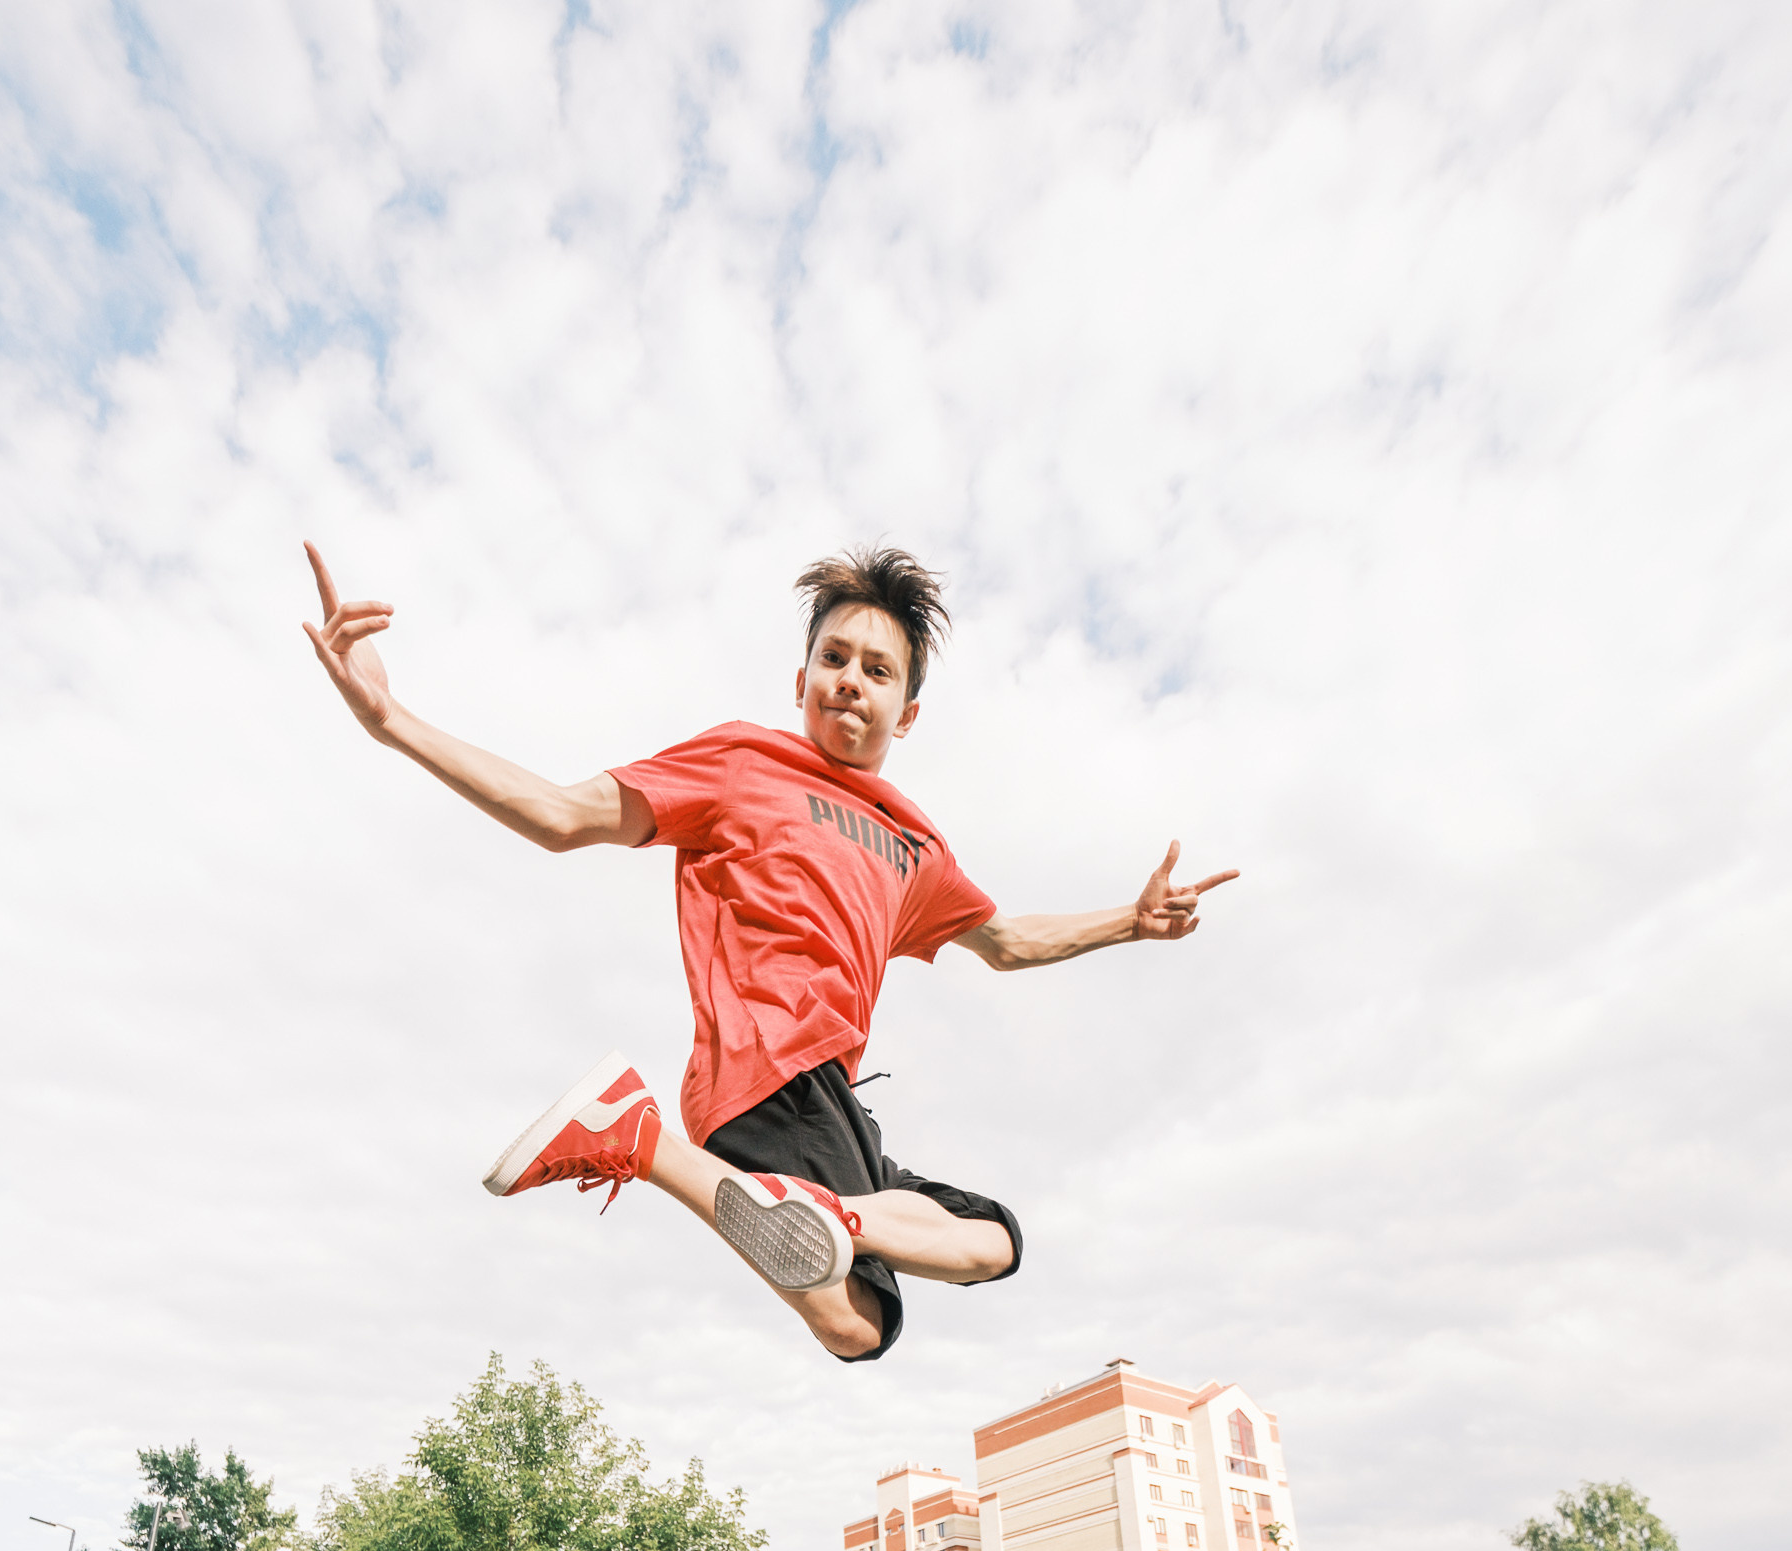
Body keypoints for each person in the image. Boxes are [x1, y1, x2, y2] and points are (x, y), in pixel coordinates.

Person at [303, 540, 1234, 1363]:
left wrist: (1130, 921)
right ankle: (638, 1139)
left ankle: (833, 1213)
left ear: (907, 712)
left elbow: (1006, 943)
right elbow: (559, 813)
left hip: (835, 1103)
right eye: (834, 658)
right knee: (860, 1323)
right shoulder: (742, 765)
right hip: (767, 1069)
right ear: (801, 681)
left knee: (990, 1244)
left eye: (878, 670)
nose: (851, 680)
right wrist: (394, 721)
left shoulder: (916, 845)